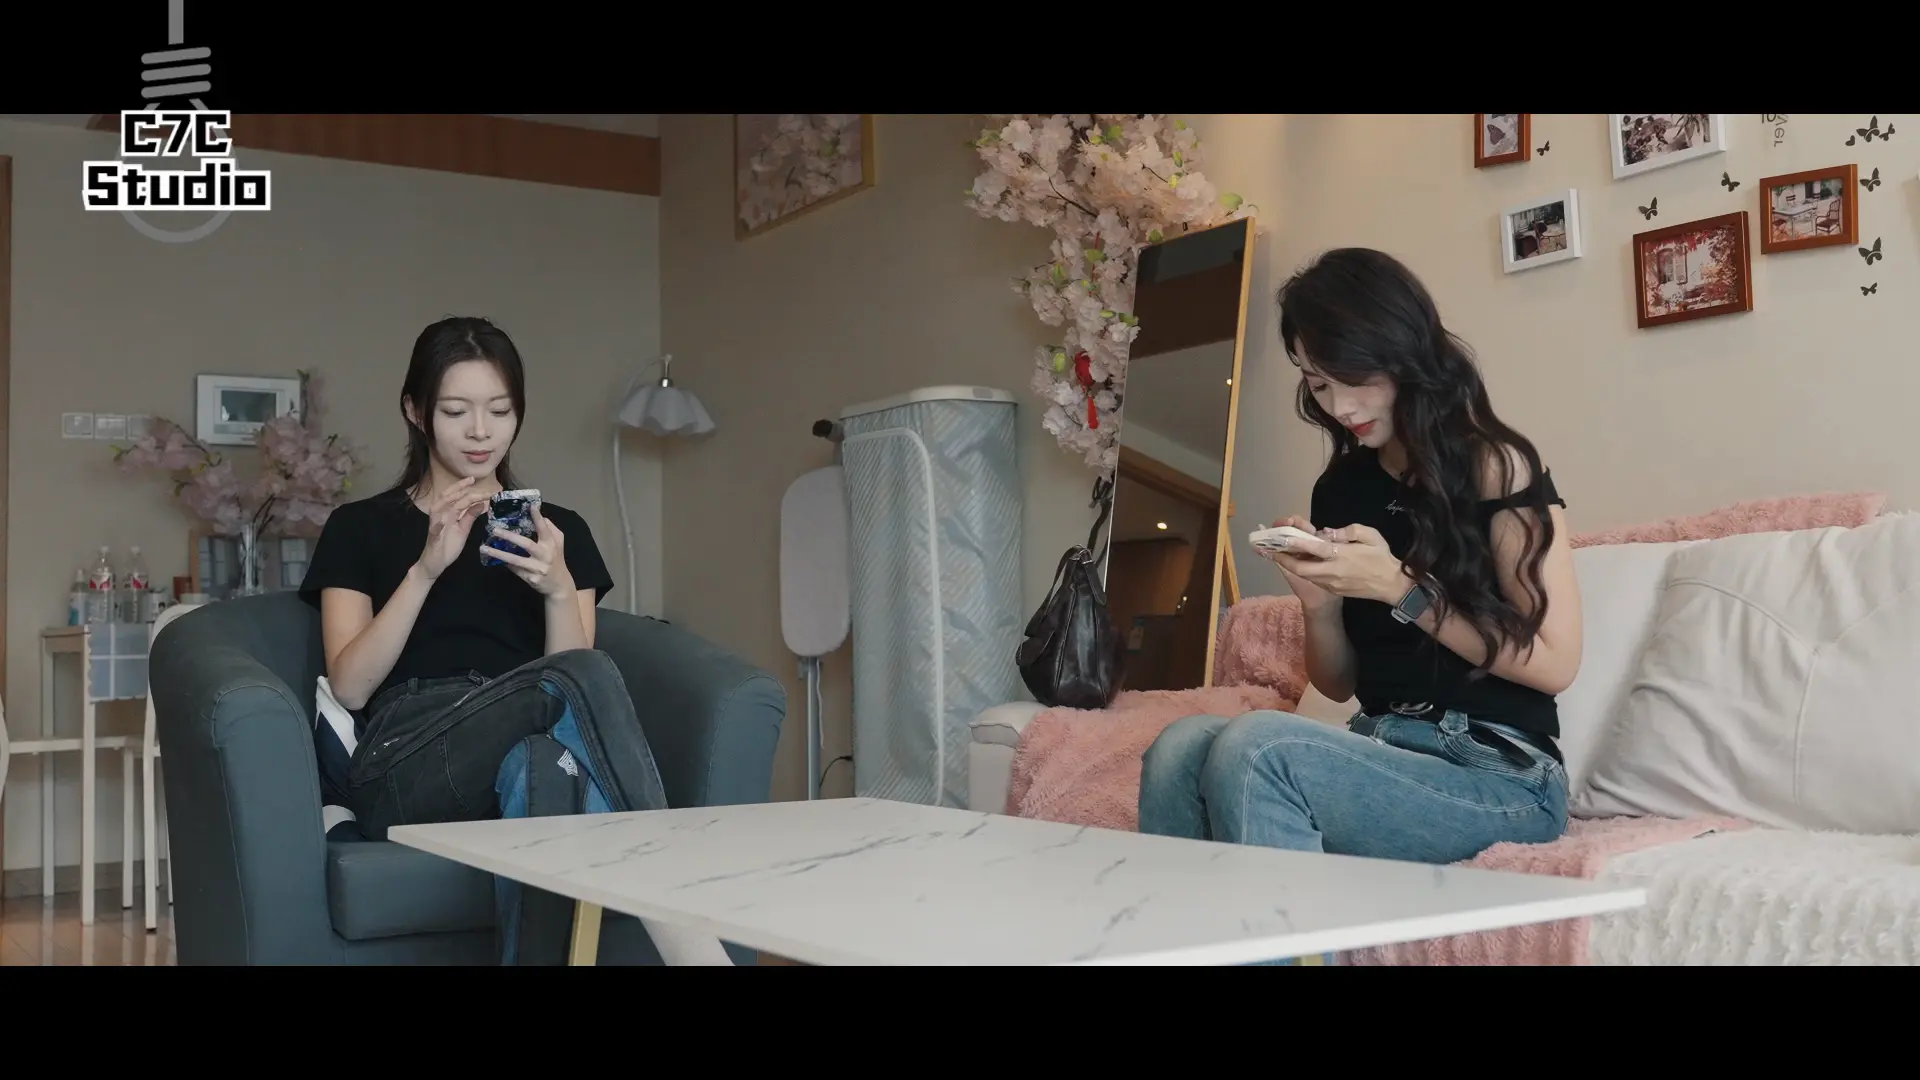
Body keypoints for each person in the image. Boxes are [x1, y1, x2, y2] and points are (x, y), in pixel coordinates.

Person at [297, 315, 731, 965]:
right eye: (456, 411)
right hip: (407, 761)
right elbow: (352, 686)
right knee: (582, 674)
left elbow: (571, 692)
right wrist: (425, 570)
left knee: (543, 766)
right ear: (415, 411)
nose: (481, 431)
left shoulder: (560, 533)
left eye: (500, 411)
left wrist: (558, 588)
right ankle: (684, 926)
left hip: (520, 739)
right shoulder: (360, 527)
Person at [1137, 248, 1583, 866]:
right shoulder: (1342, 488)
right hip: (1382, 744)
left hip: (1503, 773)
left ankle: (1286, 929)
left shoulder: (1497, 466)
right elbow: (1339, 682)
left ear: (1405, 356)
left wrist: (1402, 588)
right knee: (1179, 746)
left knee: (1261, 748)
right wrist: (1319, 605)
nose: (1340, 407)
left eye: (1355, 379)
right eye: (1320, 384)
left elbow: (1556, 662)